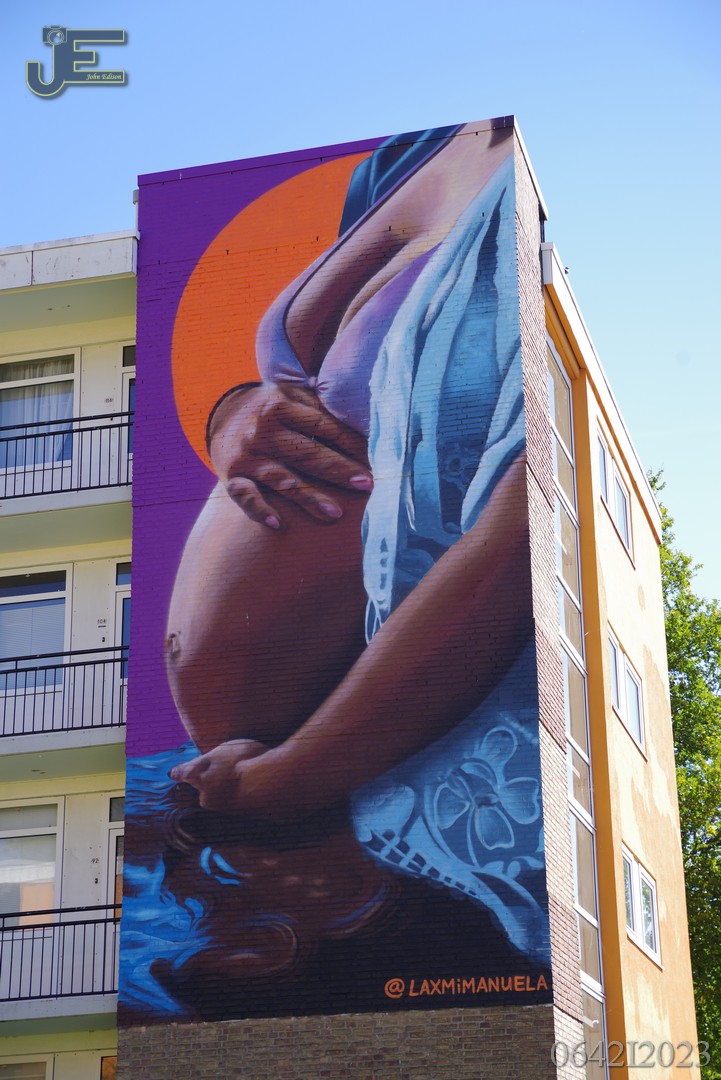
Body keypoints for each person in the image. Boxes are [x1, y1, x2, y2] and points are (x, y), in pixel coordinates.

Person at [164, 122, 549, 967]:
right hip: (264, 799)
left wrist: (291, 777)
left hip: (374, 796)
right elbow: (325, 380)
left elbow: (520, 534)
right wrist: (232, 416)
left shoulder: (541, 186)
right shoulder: (402, 161)